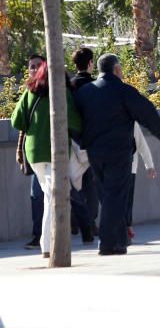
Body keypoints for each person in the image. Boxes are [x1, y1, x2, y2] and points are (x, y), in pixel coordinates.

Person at [75, 54, 160, 255]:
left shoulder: (85, 92)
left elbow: (73, 121)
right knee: (115, 197)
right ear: (117, 69)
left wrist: (83, 141)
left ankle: (119, 241)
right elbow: (146, 111)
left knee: (107, 196)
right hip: (118, 152)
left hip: (94, 152)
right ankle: (108, 243)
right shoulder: (122, 90)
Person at [11, 60, 83, 259]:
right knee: (55, 197)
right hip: (55, 151)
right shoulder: (63, 93)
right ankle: (48, 244)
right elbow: (76, 123)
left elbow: (16, 121)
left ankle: (48, 243)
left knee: (48, 195)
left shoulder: (30, 92)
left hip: (33, 152)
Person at [68, 47, 99, 241]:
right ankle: (90, 222)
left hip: (72, 140)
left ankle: (75, 219)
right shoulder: (95, 85)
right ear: (90, 63)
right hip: (91, 141)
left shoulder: (69, 85)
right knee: (91, 184)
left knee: (74, 183)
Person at [22, 54, 45, 250]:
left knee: (38, 195)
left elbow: (17, 121)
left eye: (38, 66)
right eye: (31, 67)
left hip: (43, 153)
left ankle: (40, 237)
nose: (34, 69)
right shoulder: (28, 91)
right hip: (35, 154)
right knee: (37, 196)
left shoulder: (53, 90)